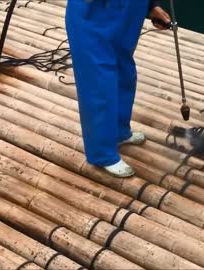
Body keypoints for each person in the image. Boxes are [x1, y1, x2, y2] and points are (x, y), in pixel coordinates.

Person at [65, 0, 171, 177]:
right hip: (94, 17)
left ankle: (120, 132)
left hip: (127, 15)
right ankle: (102, 153)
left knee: (125, 74)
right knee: (99, 83)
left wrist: (153, 6)